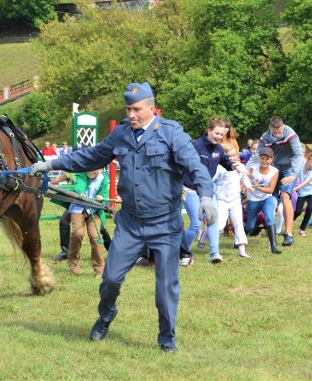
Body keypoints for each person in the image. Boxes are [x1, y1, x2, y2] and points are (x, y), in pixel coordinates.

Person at [29, 82, 215, 353]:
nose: (131, 114)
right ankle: (106, 316)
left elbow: (195, 167)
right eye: (128, 109)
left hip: (165, 223)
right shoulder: (122, 135)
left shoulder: (171, 133)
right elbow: (90, 157)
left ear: (151, 108)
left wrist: (206, 195)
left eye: (137, 109)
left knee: (166, 287)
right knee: (111, 279)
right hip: (130, 223)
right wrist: (52, 164)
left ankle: (166, 338)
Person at [180, 117, 242, 266]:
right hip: (190, 190)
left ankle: (214, 253)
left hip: (207, 191)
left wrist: (234, 166)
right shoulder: (195, 146)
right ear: (208, 130)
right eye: (217, 133)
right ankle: (182, 252)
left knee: (213, 220)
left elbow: (226, 162)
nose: (219, 137)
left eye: (222, 134)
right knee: (196, 225)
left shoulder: (219, 149)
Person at [247, 116, 304, 247]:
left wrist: (294, 174)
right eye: (274, 132)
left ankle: (288, 234)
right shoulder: (264, 137)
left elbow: (298, 155)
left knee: (285, 196)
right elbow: (257, 157)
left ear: (283, 126)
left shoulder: (290, 134)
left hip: (289, 169)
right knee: (269, 199)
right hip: (273, 168)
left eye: (280, 132)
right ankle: (267, 231)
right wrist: (247, 172)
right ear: (270, 128)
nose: (277, 135)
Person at [64, 168, 109, 277]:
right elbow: (80, 185)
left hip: (94, 209)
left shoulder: (104, 177)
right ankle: (73, 261)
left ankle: (99, 268)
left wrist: (101, 197)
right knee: (78, 233)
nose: (92, 172)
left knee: (95, 237)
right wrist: (82, 194)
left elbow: (104, 194)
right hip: (78, 208)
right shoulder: (81, 173)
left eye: (95, 169)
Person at [212, 143, 253, 258]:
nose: (232, 158)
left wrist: (249, 187)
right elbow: (212, 179)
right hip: (222, 200)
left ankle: (242, 250)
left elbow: (244, 178)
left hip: (235, 200)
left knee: (238, 223)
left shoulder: (240, 166)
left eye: (234, 155)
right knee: (220, 225)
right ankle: (207, 236)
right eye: (229, 156)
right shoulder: (220, 168)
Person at [245, 147, 281, 253]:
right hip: (253, 199)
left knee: (270, 218)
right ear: (259, 158)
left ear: (271, 159)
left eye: (267, 159)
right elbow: (245, 179)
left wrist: (258, 187)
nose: (264, 161)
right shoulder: (253, 168)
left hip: (267, 198)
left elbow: (270, 190)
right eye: (262, 158)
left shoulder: (275, 171)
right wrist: (243, 186)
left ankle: (273, 246)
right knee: (250, 225)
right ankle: (239, 241)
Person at [293, 152, 312, 236]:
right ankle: (290, 220)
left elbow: (305, 182)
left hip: (311, 191)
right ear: (307, 160)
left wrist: (294, 189)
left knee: (309, 208)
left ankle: (302, 229)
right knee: (298, 211)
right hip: (302, 192)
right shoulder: (300, 168)